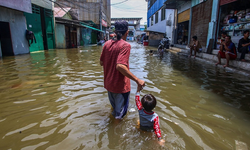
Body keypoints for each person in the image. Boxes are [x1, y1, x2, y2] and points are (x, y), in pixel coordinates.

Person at [100, 20, 145, 119]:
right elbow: (120, 66)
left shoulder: (106, 44)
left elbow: (101, 63)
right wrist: (137, 80)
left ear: (115, 32)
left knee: (115, 110)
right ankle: (115, 133)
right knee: (119, 116)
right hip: (120, 88)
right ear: (127, 32)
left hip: (109, 85)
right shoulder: (125, 45)